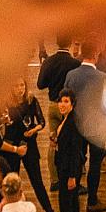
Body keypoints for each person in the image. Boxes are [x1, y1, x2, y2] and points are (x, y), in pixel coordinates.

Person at [62, 43, 106, 212]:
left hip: (76, 125)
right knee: (95, 165)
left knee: (76, 163)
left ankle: (73, 198)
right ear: (95, 55)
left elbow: (65, 99)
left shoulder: (71, 75)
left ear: (82, 54)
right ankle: (92, 200)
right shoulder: (102, 77)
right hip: (96, 126)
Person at [0, 79, 54, 212]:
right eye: (16, 85)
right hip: (12, 146)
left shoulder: (31, 100)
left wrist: (34, 130)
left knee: (37, 181)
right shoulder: (6, 103)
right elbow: (1, 123)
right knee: (12, 183)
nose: (20, 88)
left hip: (28, 144)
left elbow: (41, 122)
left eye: (22, 85)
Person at [36, 36, 81, 192]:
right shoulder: (75, 63)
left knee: (53, 142)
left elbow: (40, 84)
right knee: (72, 143)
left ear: (56, 42)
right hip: (68, 107)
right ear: (70, 42)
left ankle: (54, 180)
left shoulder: (49, 61)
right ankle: (72, 176)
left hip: (53, 105)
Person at [53, 89, 84, 212]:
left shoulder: (73, 123)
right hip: (64, 166)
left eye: (66, 101)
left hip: (69, 169)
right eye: (60, 101)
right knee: (71, 202)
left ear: (72, 104)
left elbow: (75, 151)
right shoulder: (65, 118)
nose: (62, 104)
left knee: (66, 204)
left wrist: (72, 176)